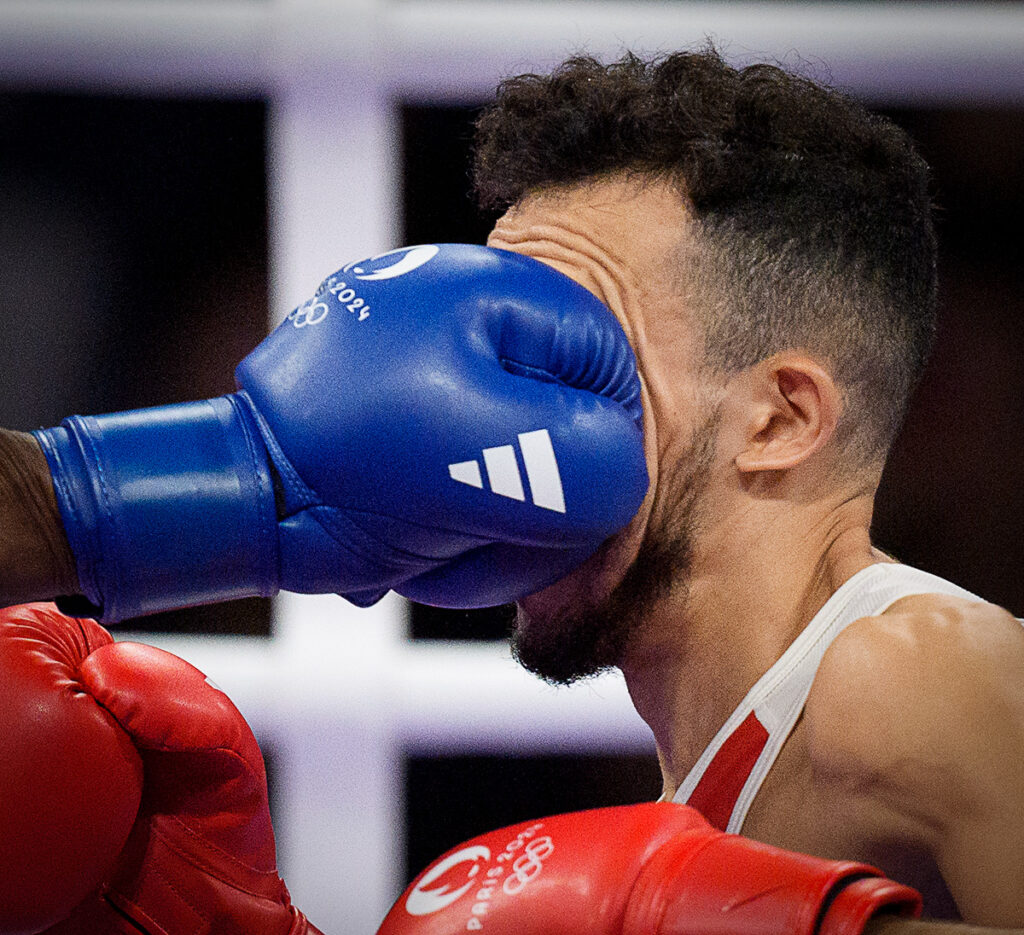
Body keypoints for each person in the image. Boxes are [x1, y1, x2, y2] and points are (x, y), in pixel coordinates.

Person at [0, 47, 1021, 935]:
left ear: (779, 419)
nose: (492, 409)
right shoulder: (705, 787)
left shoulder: (914, 675)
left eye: (566, 352)